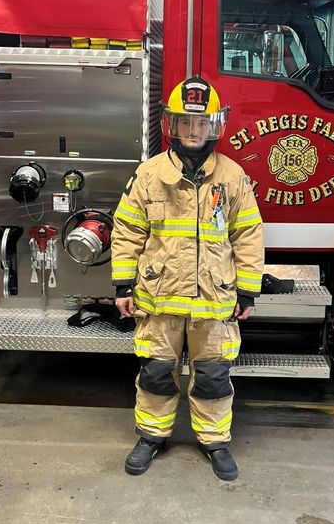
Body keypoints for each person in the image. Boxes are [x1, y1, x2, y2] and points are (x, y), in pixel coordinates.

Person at [111, 76, 264, 481]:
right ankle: (151, 436)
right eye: (185, 123)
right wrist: (123, 286)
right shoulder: (149, 175)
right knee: (156, 371)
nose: (193, 131)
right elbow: (127, 231)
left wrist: (247, 290)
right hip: (159, 300)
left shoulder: (232, 178)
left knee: (213, 376)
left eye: (201, 123)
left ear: (216, 126)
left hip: (214, 301)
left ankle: (214, 441)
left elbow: (247, 234)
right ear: (171, 126)